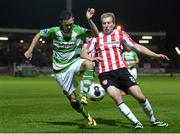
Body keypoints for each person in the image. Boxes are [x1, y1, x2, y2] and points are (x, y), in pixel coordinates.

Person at [81, 12, 169, 129]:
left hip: (122, 71)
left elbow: (137, 47)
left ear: (113, 24)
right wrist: (91, 58)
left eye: (108, 23)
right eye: (104, 23)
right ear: (101, 25)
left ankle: (153, 120)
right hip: (105, 74)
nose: (106, 25)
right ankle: (136, 123)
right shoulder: (96, 39)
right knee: (116, 97)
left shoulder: (121, 34)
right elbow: (83, 52)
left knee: (140, 97)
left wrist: (156, 55)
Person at [24, 8, 98, 126]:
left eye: (71, 24)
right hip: (60, 70)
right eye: (66, 25)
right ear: (61, 23)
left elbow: (96, 34)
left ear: (73, 20)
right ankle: (87, 115)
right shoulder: (55, 31)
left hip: (74, 62)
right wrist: (30, 50)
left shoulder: (78, 30)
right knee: (73, 101)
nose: (69, 27)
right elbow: (39, 34)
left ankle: (84, 95)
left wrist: (89, 20)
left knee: (89, 64)